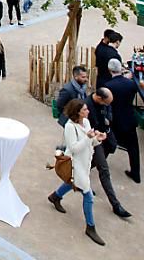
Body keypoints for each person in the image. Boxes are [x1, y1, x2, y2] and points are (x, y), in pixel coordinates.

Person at [47, 98, 108, 246]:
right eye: (85, 110)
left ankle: (55, 196)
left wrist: (97, 139)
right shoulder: (70, 127)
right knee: (87, 194)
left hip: (85, 161)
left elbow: (89, 141)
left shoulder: (86, 122)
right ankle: (90, 226)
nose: (88, 111)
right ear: (78, 113)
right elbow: (74, 148)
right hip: (75, 163)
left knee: (72, 181)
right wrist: (88, 138)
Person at [86, 86, 131, 218]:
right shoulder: (87, 106)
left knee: (106, 153)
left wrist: (107, 122)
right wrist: (98, 133)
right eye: (106, 103)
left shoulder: (104, 103)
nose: (108, 105)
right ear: (99, 98)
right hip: (95, 139)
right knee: (104, 169)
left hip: (106, 135)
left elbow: (108, 112)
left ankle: (82, 170)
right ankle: (116, 205)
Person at [103, 58, 141, 183]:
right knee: (133, 147)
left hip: (115, 120)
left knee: (106, 146)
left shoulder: (109, 86)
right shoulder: (131, 84)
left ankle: (98, 167)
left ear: (109, 70)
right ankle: (136, 173)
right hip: (129, 118)